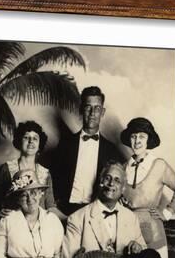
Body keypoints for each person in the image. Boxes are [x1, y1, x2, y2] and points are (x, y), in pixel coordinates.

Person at [121, 117, 175, 258]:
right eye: (133, 136)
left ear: (149, 140)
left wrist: (167, 213)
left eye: (141, 136)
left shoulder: (159, 165)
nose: (137, 141)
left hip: (152, 231)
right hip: (128, 231)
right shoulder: (123, 166)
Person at [51, 86, 124, 219]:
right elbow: (53, 176)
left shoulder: (111, 150)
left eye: (97, 108)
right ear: (81, 109)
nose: (92, 113)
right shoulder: (65, 144)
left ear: (102, 112)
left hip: (97, 212)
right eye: (88, 107)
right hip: (66, 210)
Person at [0, 120, 63, 219]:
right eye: (26, 137)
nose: (31, 141)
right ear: (19, 141)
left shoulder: (46, 173)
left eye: (35, 138)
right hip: (13, 224)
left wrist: (70, 218)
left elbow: (50, 207)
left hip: (38, 226)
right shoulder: (6, 168)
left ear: (39, 145)